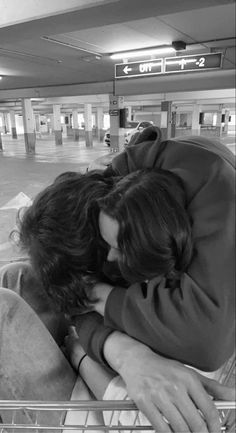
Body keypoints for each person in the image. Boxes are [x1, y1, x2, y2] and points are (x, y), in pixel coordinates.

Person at [2, 130, 235, 432]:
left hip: (89, 411)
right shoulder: (145, 227)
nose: (113, 256)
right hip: (106, 375)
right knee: (19, 275)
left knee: (6, 300)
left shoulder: (213, 190)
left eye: (117, 251)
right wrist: (121, 351)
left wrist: (83, 346)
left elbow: (207, 344)